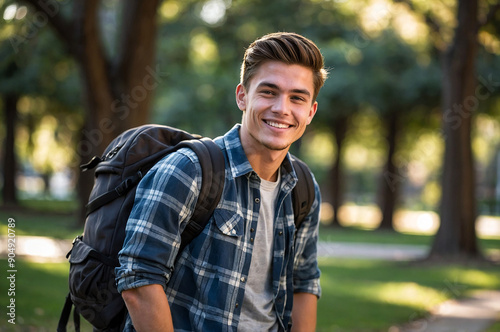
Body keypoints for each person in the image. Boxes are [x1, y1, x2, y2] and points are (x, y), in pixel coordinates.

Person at [115, 32, 328, 332]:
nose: (282, 108)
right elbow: (138, 278)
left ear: (310, 112)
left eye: (297, 97)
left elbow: (304, 282)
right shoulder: (189, 170)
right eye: (268, 92)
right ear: (242, 95)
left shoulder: (303, 187)